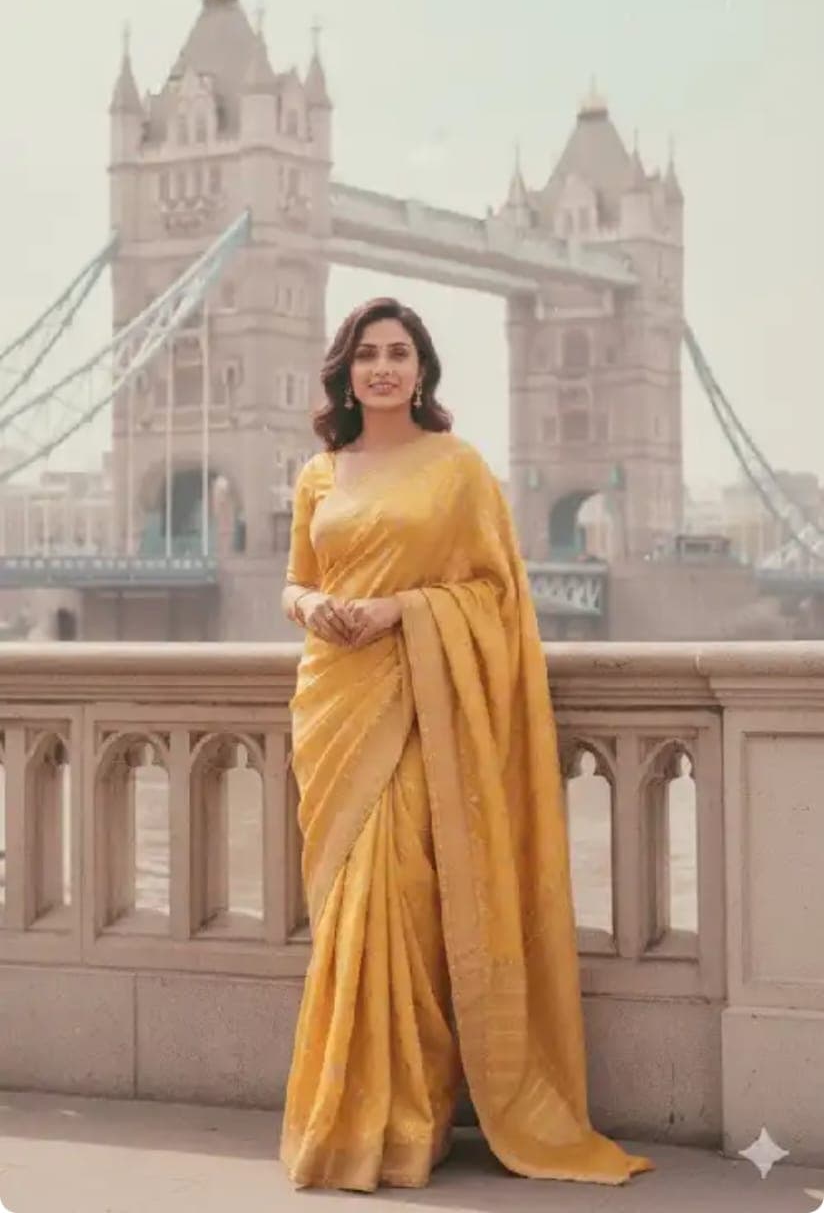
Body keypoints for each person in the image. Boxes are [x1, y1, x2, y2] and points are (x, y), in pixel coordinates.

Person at [279, 297, 655, 1192]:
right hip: (334, 705)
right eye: (367, 354)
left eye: (398, 353)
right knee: (344, 915)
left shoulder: (458, 469)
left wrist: (401, 611)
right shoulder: (320, 473)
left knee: (400, 899)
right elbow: (295, 579)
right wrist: (312, 608)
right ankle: (343, 1122)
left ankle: (406, 1124)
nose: (382, 368)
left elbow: (495, 596)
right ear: (346, 369)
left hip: (421, 705)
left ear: (423, 370)